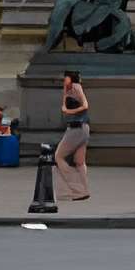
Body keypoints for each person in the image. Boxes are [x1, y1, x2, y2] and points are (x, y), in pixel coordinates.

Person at [54, 69, 91, 200]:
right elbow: (63, 106)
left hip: (76, 128)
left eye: (66, 78)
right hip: (83, 128)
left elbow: (85, 105)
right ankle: (83, 191)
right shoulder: (69, 89)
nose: (64, 80)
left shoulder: (76, 87)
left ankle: (77, 189)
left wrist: (69, 111)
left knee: (58, 156)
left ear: (71, 79)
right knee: (79, 161)